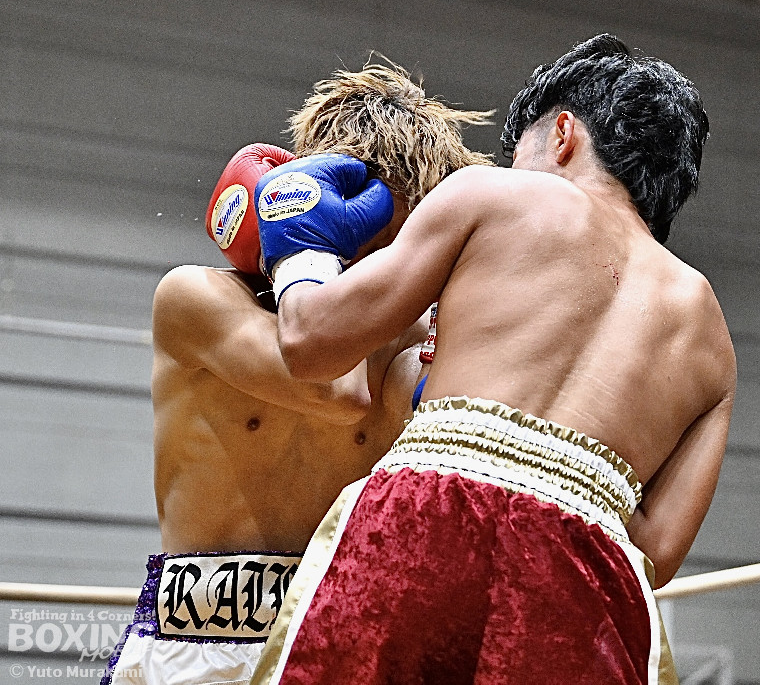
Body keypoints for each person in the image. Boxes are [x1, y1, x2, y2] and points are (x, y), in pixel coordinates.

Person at [251, 34, 736, 685]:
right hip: (588, 583)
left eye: (519, 153)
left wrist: (299, 251)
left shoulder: (492, 196)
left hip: (426, 524)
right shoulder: (710, 331)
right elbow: (656, 552)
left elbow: (310, 341)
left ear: (562, 134)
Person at [100, 60, 494, 685]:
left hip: (342, 646)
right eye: (362, 226)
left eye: (398, 239)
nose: (382, 259)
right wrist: (310, 253)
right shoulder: (195, 300)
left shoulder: (420, 333)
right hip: (198, 648)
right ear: (312, 190)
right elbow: (335, 386)